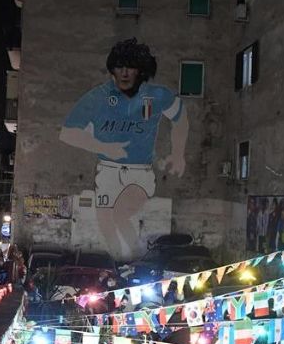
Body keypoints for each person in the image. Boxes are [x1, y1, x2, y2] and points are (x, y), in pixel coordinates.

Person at [59, 38, 190, 261]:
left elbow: (181, 118)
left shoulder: (156, 95)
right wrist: (103, 147)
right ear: (112, 70)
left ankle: (136, 259)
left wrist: (178, 154)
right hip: (108, 169)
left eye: (130, 67)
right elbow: (67, 133)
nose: (125, 73)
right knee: (105, 222)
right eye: (119, 67)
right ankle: (121, 262)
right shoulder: (98, 97)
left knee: (119, 214)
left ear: (141, 70)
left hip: (140, 170)